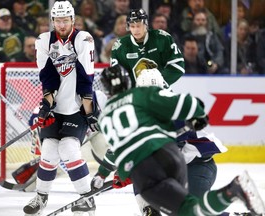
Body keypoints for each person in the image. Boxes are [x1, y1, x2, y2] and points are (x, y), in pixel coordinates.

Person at [97, 64, 265, 216]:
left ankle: (151, 208)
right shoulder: (147, 103)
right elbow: (191, 104)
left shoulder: (111, 115)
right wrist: (198, 114)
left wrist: (118, 173)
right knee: (191, 211)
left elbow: (126, 151)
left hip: (197, 166)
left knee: (188, 210)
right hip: (172, 162)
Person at [23, 1, 99, 215]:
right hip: (56, 109)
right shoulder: (44, 41)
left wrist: (89, 111)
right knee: (48, 151)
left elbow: (86, 78)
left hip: (77, 108)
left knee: (68, 148)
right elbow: (48, 78)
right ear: (53, 20)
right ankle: (41, 197)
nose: (62, 24)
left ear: (73, 20)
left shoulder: (83, 39)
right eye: (58, 20)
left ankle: (88, 198)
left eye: (66, 20)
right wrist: (47, 104)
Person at [110, 8, 184, 88]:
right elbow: (117, 74)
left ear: (145, 24)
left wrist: (161, 82)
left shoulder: (162, 39)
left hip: (160, 93)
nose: (136, 30)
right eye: (132, 26)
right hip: (135, 96)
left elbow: (178, 64)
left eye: (139, 25)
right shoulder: (120, 46)